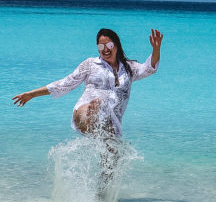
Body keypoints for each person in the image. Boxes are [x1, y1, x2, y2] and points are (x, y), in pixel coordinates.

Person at [12, 28, 163, 137]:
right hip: (85, 110)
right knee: (91, 107)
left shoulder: (129, 68)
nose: (105, 50)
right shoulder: (90, 64)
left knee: (112, 164)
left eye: (109, 45)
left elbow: (149, 69)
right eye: (101, 46)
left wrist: (156, 49)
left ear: (117, 45)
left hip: (111, 123)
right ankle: (92, 114)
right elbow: (64, 84)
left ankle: (102, 182)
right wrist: (31, 95)